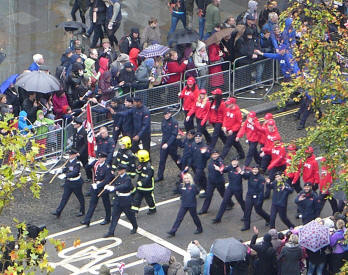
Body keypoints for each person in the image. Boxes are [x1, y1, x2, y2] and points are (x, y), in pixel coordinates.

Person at [103, 164, 138, 237]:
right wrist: (108, 186)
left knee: (130, 216)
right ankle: (111, 232)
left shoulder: (127, 178)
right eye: (118, 170)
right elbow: (112, 182)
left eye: (119, 170)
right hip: (118, 199)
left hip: (125, 200)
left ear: (123, 170)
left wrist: (114, 188)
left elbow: (125, 186)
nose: (118, 171)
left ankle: (135, 226)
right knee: (114, 216)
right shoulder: (117, 177)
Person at [81, 152, 113, 227]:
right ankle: (87, 220)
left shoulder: (107, 167)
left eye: (101, 158)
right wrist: (89, 163)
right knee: (92, 204)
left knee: (106, 204)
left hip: (103, 187)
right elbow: (87, 168)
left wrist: (98, 185)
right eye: (98, 157)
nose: (99, 159)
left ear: (104, 158)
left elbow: (107, 180)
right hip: (96, 186)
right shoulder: (96, 163)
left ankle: (108, 218)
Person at [51, 148, 85, 218]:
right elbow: (68, 169)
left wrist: (65, 175)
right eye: (69, 154)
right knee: (64, 197)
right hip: (69, 182)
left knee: (80, 197)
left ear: (75, 155)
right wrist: (60, 170)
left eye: (71, 155)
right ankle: (58, 211)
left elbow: (75, 172)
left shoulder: (77, 163)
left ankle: (82, 210)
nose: (70, 156)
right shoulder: (69, 161)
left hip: (76, 183)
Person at [198, 150, 232, 215]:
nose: (215, 156)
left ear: (218, 155)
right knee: (208, 195)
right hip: (211, 181)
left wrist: (219, 168)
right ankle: (204, 209)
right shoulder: (211, 161)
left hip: (219, 181)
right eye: (213, 154)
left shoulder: (219, 161)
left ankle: (230, 203)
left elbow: (222, 168)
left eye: (216, 154)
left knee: (223, 193)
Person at [213, 158, 245, 223]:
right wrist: (218, 168)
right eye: (233, 161)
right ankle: (218, 218)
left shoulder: (241, 169)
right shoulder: (229, 167)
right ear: (231, 162)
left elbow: (246, 176)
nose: (234, 162)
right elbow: (223, 170)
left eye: (235, 161)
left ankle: (246, 215)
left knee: (241, 202)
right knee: (224, 201)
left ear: (238, 162)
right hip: (230, 188)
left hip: (238, 189)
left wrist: (241, 172)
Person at [241, 166, 270, 231]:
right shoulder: (250, 174)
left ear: (258, 170)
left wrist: (259, 200)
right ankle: (246, 226)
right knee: (247, 210)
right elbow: (245, 176)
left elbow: (261, 191)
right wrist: (241, 172)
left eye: (256, 169)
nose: (254, 171)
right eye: (253, 169)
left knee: (258, 211)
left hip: (257, 197)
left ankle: (268, 218)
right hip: (249, 195)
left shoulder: (261, 178)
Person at [155, 108, 180, 182]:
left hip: (172, 144)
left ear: (170, 114)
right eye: (165, 114)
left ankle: (183, 170)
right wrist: (164, 143)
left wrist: (168, 144)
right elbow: (164, 133)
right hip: (164, 143)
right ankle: (160, 176)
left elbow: (174, 134)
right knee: (162, 160)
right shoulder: (163, 121)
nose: (166, 116)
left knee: (176, 158)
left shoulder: (174, 122)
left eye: (167, 114)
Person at [132, 149, 157, 215]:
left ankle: (152, 209)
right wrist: (138, 170)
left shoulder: (149, 168)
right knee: (136, 199)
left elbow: (147, 178)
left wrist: (141, 183)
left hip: (147, 188)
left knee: (149, 199)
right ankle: (134, 212)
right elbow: (139, 173)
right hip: (140, 188)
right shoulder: (141, 164)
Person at [190, 132, 210, 197]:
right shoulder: (193, 144)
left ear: (201, 138)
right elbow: (191, 155)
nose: (197, 139)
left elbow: (208, 156)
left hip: (200, 166)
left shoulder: (204, 146)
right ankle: (207, 191)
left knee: (196, 179)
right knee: (203, 179)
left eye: (198, 138)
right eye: (196, 138)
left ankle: (192, 193)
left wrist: (204, 153)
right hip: (194, 165)